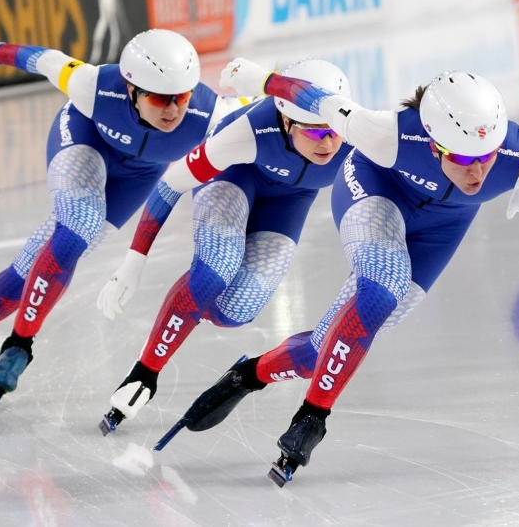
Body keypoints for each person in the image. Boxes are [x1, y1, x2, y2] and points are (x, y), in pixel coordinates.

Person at [167, 59, 519, 485]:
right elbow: (318, 102)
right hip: (376, 190)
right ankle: (312, 418)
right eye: (464, 157)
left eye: (487, 157)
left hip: (443, 228)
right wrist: (262, 81)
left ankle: (249, 375)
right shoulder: (385, 133)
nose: (478, 171)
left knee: (328, 347)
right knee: (382, 288)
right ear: (433, 144)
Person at [0, 24, 248, 406]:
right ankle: (20, 344)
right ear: (132, 91)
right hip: (85, 142)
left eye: (181, 96)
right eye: (159, 99)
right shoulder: (93, 85)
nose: (173, 110)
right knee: (78, 224)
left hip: (138, 176)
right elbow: (48, 60)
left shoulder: (214, 112)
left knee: (30, 271)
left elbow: (262, 125)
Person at [96, 59, 354, 434]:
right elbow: (170, 185)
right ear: (285, 122)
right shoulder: (246, 133)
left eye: (334, 131)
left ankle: (185, 308)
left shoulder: (356, 131)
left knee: (238, 310)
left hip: (290, 200)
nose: (328, 143)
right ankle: (145, 371)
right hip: (233, 175)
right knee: (215, 267)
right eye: (314, 134)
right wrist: (134, 261)